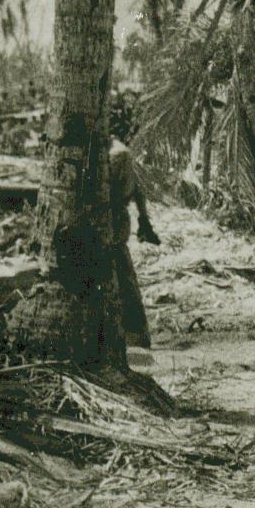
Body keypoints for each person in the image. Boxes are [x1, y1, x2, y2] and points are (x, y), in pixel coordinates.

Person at [108, 115, 161, 349]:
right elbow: (138, 190)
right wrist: (144, 219)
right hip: (115, 219)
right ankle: (134, 335)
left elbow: (113, 192)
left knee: (120, 274)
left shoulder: (116, 155)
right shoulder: (117, 152)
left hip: (112, 220)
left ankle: (134, 335)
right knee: (122, 273)